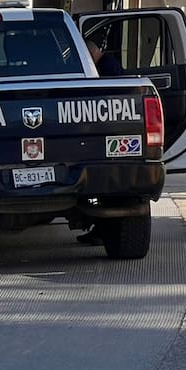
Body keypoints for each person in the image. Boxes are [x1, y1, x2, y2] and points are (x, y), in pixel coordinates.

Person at [78, 39, 125, 246]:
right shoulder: (107, 64)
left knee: (105, 191)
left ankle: (101, 231)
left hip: (110, 129)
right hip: (111, 130)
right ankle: (101, 231)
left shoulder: (106, 67)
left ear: (92, 53)